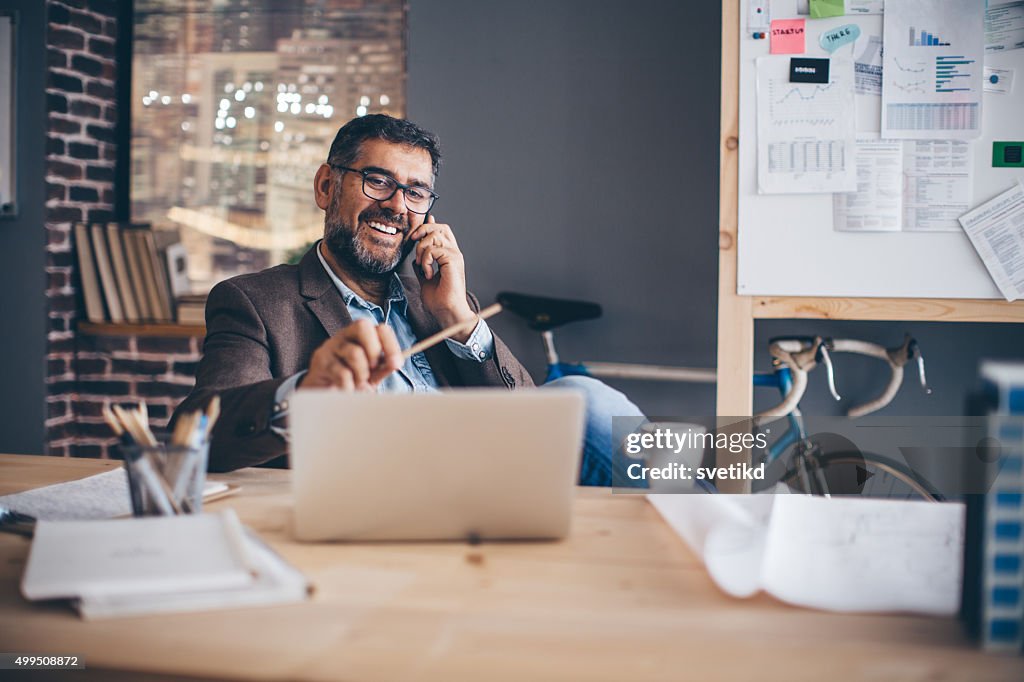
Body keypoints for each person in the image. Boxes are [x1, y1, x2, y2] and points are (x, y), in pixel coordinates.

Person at [173, 114, 643, 485]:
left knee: (584, 399)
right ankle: (713, 526)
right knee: (587, 397)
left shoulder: (439, 300)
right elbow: (195, 435)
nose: (397, 205)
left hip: (489, 484)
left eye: (415, 192)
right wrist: (306, 392)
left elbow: (528, 410)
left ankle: (709, 527)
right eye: (377, 180)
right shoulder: (255, 301)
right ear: (325, 186)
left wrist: (460, 319)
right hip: (371, 494)